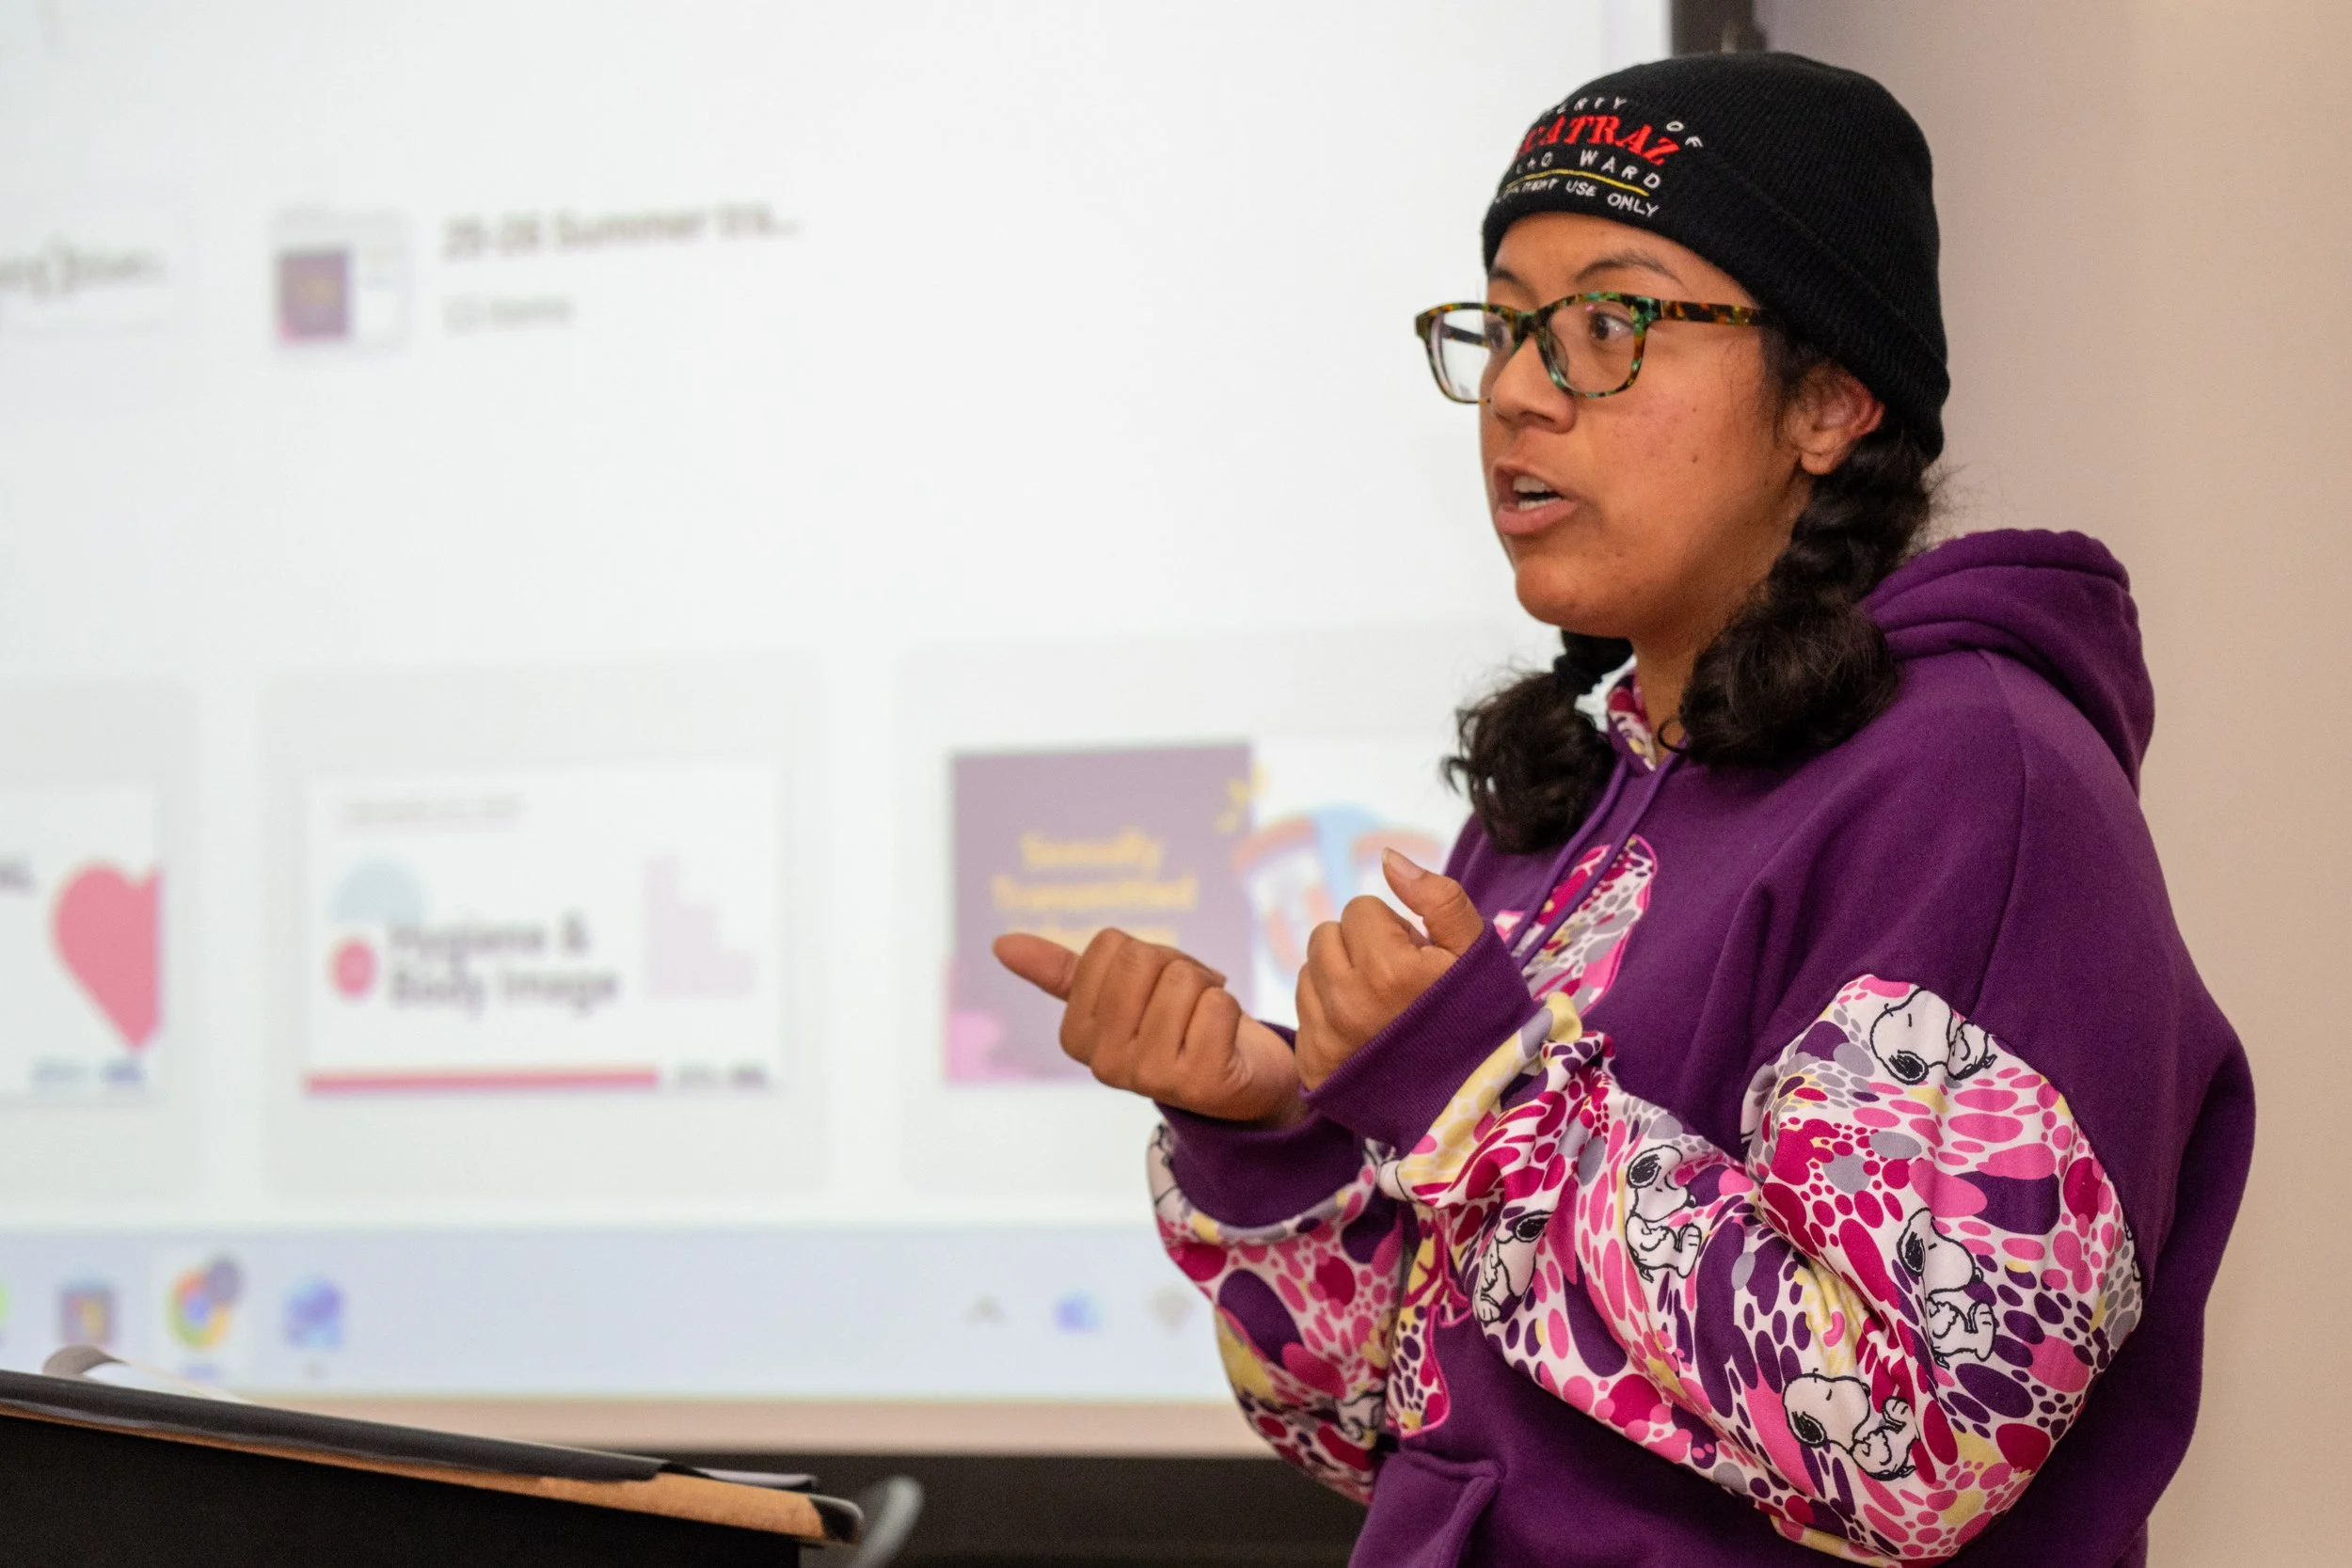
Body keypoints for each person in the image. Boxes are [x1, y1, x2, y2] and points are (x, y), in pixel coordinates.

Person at [993, 51, 2252, 1568]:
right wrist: (1269, 1135)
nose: (1522, 387)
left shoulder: (1977, 782)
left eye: (1610, 322)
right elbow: (1384, 1424)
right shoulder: (1573, 794)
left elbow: (1916, 1429)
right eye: (1509, 325)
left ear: (1834, 398)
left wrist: (1480, 1099)